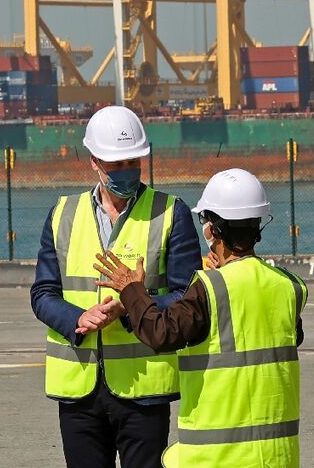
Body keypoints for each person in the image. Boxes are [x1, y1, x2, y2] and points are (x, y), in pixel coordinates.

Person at [93, 168, 307, 468]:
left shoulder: (209, 288)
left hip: (219, 457)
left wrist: (131, 290)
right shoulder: (289, 285)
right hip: (277, 457)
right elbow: (282, 335)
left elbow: (160, 333)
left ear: (212, 230)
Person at [31, 106, 202, 468]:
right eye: (116, 164)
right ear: (94, 161)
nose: (126, 170)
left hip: (144, 390)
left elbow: (188, 294)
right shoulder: (62, 214)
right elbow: (43, 294)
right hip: (78, 388)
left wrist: (132, 305)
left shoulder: (172, 212)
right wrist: (80, 318)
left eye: (132, 161)